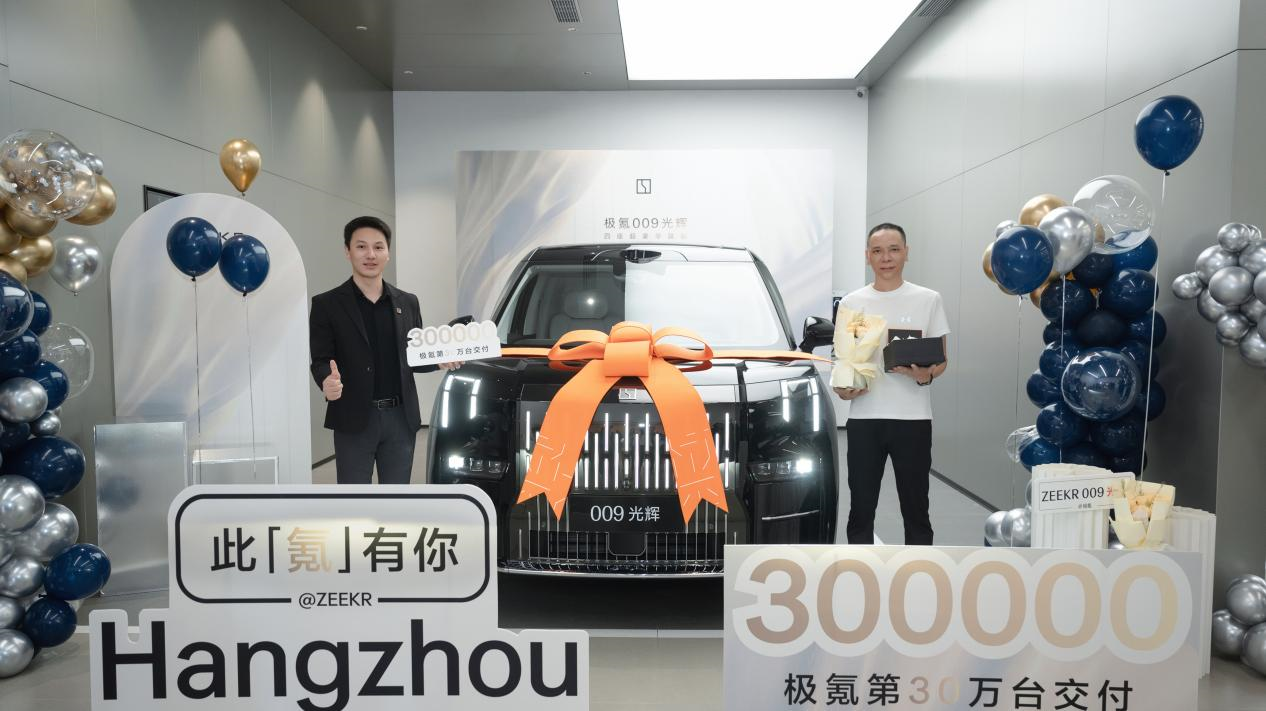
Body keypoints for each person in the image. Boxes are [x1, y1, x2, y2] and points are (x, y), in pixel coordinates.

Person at [309, 216, 459, 484]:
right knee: (353, 500)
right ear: (347, 251)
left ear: (388, 253)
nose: (371, 254)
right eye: (361, 247)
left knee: (397, 499)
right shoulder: (327, 304)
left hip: (400, 419)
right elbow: (321, 359)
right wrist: (326, 381)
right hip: (353, 418)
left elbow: (412, 357)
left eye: (378, 247)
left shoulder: (407, 302)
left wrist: (439, 360)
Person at [834, 223, 949, 545]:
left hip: (913, 419)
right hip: (864, 419)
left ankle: (920, 567)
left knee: (916, 507)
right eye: (878, 251)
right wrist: (843, 388)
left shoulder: (928, 299)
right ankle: (859, 567)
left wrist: (925, 375)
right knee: (861, 507)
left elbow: (941, 359)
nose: (886, 258)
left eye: (894, 249)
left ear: (906, 253)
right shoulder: (852, 302)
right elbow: (844, 359)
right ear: (867, 256)